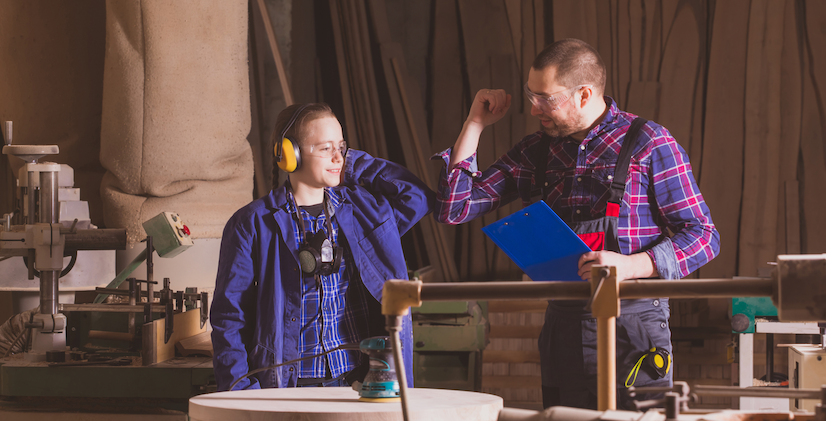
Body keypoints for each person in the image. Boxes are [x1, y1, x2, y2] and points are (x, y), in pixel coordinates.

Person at [434, 38, 720, 409]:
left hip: (633, 325)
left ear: (584, 94)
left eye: (546, 98)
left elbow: (704, 236)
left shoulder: (649, 143)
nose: (534, 108)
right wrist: (475, 122)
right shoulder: (535, 151)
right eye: (530, 94)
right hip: (563, 325)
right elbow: (454, 208)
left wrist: (631, 265)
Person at [211, 102, 434, 390]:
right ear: (289, 155)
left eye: (341, 147)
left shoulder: (363, 212)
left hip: (361, 381)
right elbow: (229, 317)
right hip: (287, 387)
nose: (337, 157)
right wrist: (242, 394)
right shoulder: (252, 223)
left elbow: (416, 197)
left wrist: (354, 162)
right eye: (325, 148)